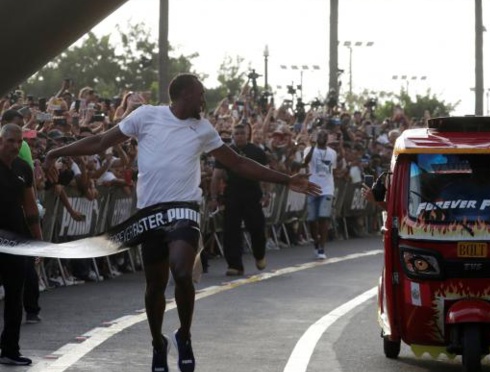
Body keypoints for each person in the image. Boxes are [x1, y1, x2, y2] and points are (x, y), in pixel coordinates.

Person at [43, 73, 321, 372]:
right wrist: (56, 152)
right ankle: (157, 343)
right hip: (150, 212)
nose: (204, 100)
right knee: (154, 287)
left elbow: (238, 162)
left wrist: (286, 180)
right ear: (184, 95)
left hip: (184, 209)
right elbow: (99, 142)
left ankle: (184, 335)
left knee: (182, 272)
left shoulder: (203, 129)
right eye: (200, 94)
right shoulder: (146, 116)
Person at [0, 124, 42, 366]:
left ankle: (10, 349)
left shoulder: (23, 168)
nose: (15, 146)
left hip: (16, 241)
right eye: (10, 141)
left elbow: (30, 207)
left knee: (15, 296)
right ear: (0, 140)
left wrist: (38, 240)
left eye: (19, 142)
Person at [210, 124, 268, 276]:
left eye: (243, 133)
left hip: (253, 195)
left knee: (257, 227)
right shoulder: (225, 152)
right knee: (231, 230)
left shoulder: (257, 151)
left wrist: (267, 193)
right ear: (233, 135)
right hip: (233, 195)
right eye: (237, 133)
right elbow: (216, 176)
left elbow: (266, 173)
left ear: (248, 134)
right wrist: (214, 197)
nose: (240, 136)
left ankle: (259, 254)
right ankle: (235, 265)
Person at [303, 129, 337, 259]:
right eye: (319, 135)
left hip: (327, 189)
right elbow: (305, 163)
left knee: (324, 217)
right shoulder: (309, 150)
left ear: (327, 138)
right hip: (312, 187)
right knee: (312, 219)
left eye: (324, 135)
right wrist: (311, 147)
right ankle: (316, 242)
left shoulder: (333, 153)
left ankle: (322, 247)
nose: (322, 137)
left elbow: (332, 170)